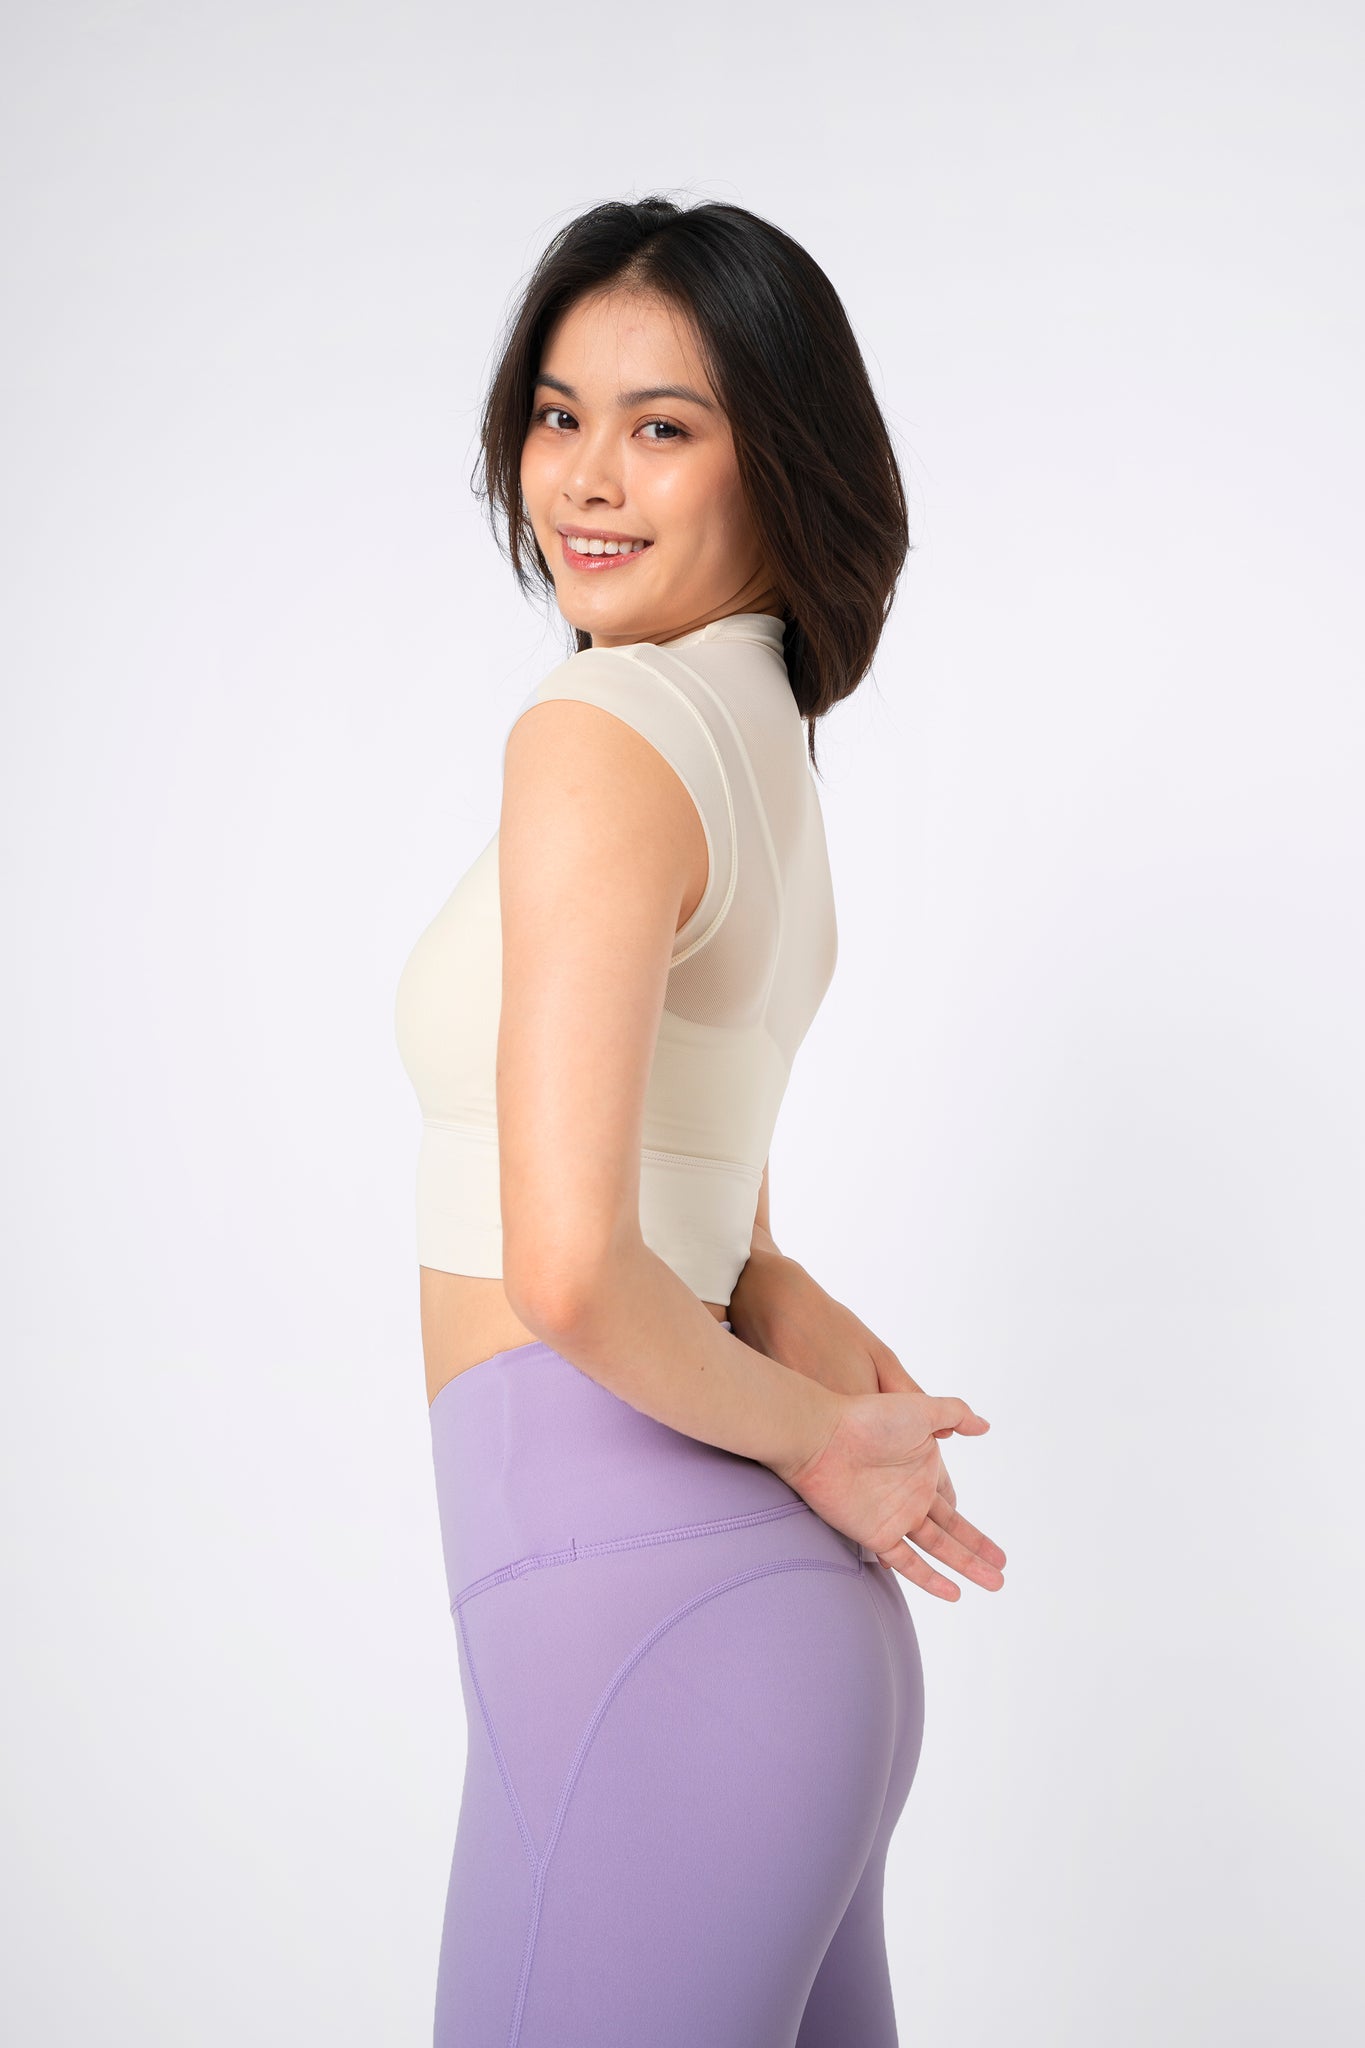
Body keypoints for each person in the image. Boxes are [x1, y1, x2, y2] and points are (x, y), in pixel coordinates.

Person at [394, 195, 1007, 2048]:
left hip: (635, 1634)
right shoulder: (753, 731)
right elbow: (701, 1191)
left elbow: (575, 1268)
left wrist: (829, 1442)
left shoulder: (600, 731)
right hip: (743, 1649)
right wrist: (786, 1305)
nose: (585, 477)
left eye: (661, 425)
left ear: (779, 457)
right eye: (557, 413)